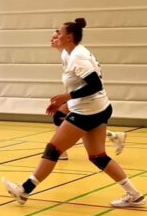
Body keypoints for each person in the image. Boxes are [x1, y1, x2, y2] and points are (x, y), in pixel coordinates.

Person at [2, 18, 145, 209]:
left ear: (69, 37)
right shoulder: (68, 54)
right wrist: (67, 102)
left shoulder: (78, 57)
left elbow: (95, 85)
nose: (55, 35)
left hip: (88, 111)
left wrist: (66, 97)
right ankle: (134, 195)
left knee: (53, 150)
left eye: (58, 32)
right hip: (99, 107)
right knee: (98, 156)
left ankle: (24, 191)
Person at [47, 30, 126, 161]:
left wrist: (68, 97)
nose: (52, 39)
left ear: (67, 39)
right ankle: (113, 135)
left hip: (88, 97)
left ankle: (61, 151)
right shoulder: (66, 54)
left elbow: (90, 81)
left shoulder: (73, 55)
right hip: (81, 96)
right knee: (59, 117)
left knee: (63, 118)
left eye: (56, 37)